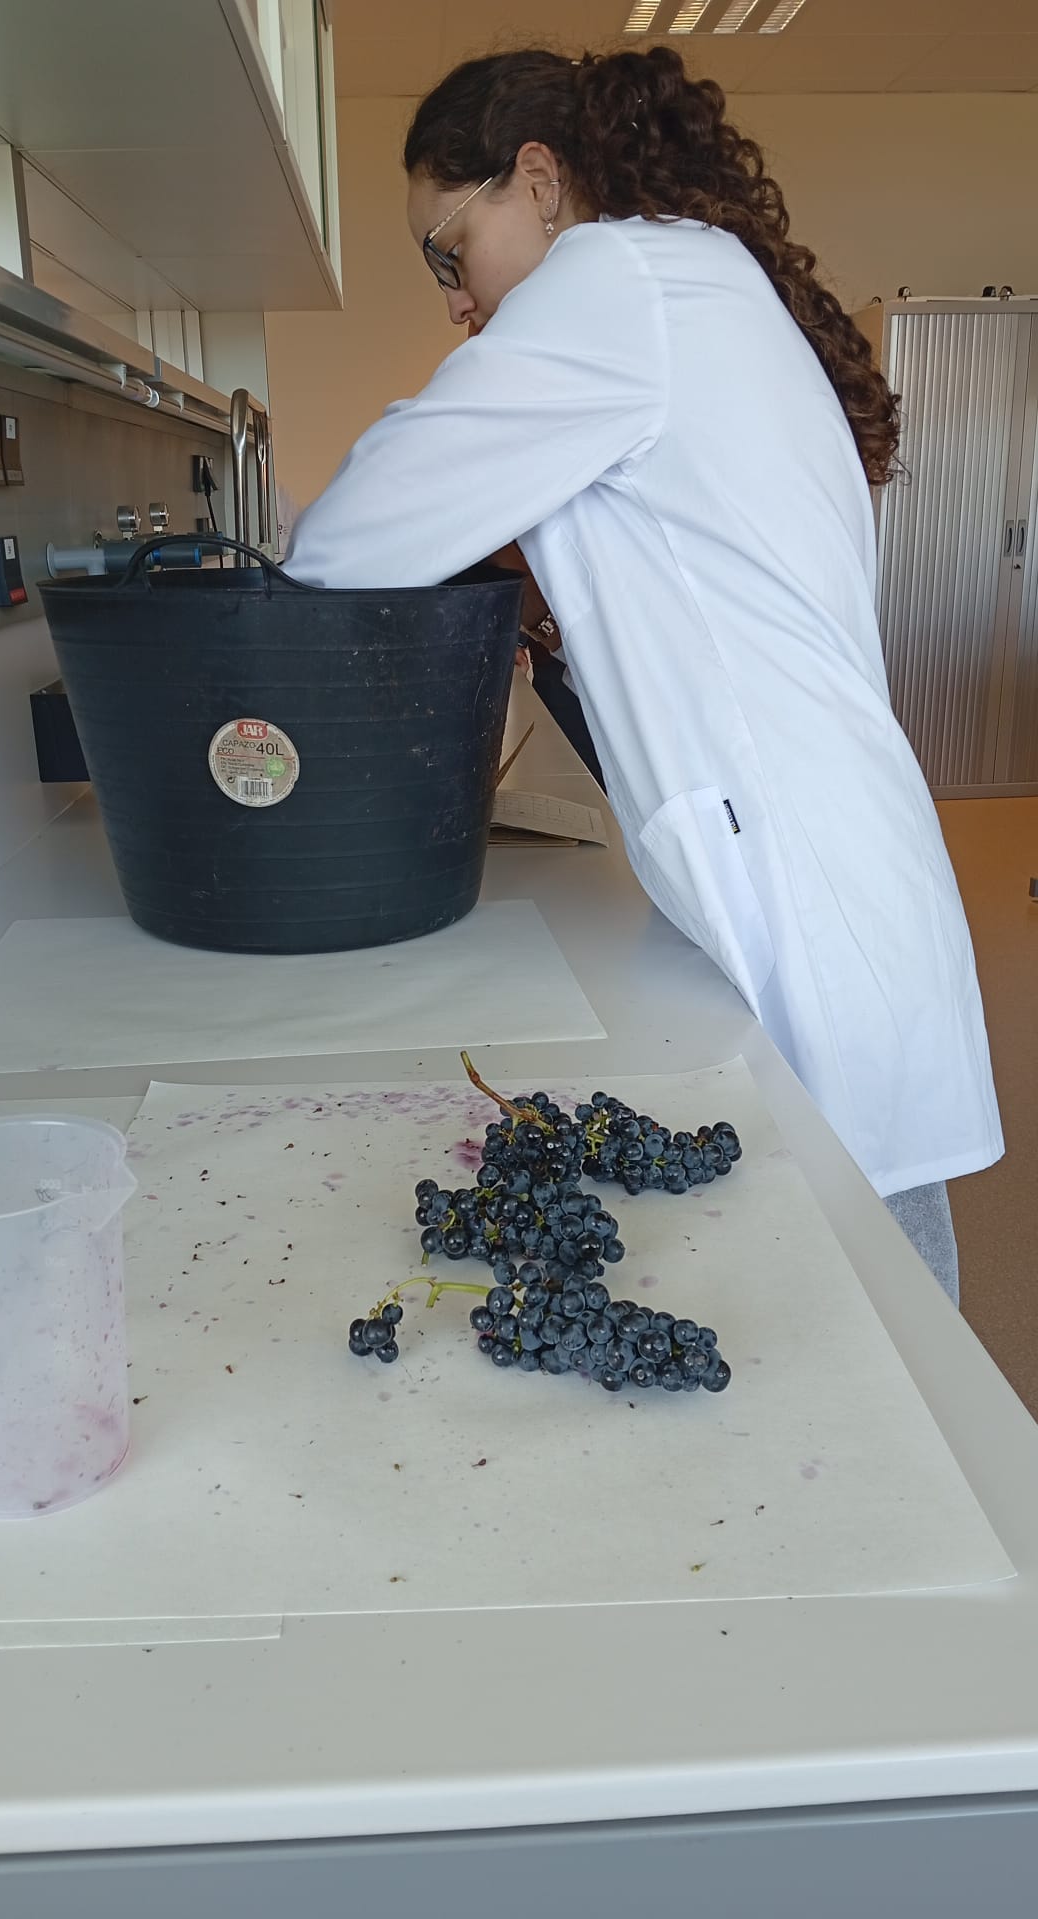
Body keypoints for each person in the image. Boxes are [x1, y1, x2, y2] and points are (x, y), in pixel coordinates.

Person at [283, 45, 1003, 1304]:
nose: (454, 300)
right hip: (816, 842)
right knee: (858, 1277)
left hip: (807, 875)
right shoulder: (684, 281)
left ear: (538, 179)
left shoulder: (616, 279)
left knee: (882, 1319)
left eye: (449, 253)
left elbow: (347, 539)